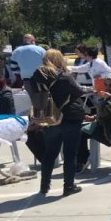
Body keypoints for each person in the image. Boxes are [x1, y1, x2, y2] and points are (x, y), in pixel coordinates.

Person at [30, 49, 88, 196]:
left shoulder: (37, 77)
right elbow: (78, 91)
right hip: (70, 117)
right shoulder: (64, 76)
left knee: (50, 153)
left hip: (49, 118)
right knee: (70, 154)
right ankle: (69, 186)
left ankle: (44, 187)